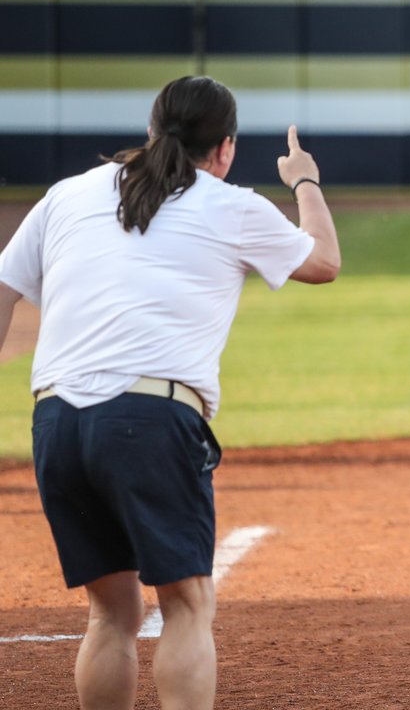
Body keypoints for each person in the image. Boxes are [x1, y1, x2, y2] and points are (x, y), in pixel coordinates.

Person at [0, 75, 340, 709]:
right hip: (149, 420)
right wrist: (304, 181)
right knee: (186, 606)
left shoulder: (68, 194)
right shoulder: (230, 203)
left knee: (111, 615)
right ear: (227, 148)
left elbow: (5, 286)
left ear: (153, 130)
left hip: (56, 423)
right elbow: (323, 261)